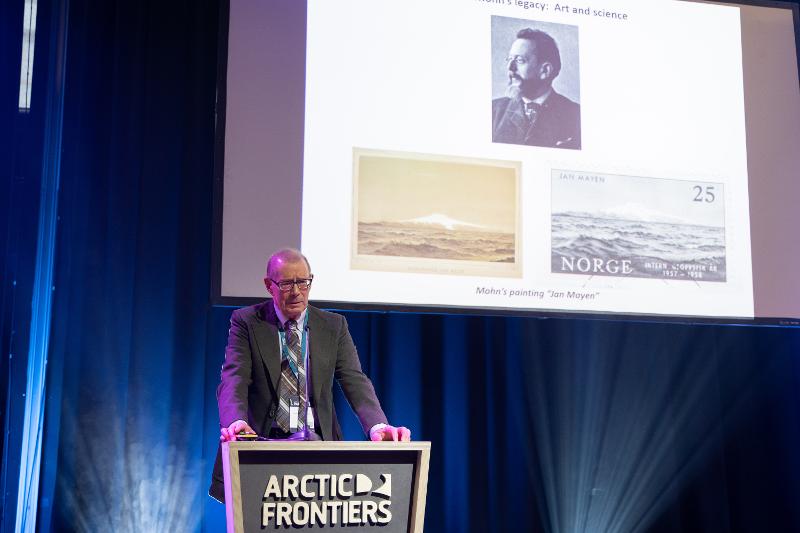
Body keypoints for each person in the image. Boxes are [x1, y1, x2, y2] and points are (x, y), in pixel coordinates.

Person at [209, 248, 410, 502]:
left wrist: (377, 425)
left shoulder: (333, 325)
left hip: (318, 447)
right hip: (262, 445)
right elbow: (234, 377)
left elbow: (354, 379)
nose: (296, 291)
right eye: (286, 284)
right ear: (269, 286)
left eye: (303, 282)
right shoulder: (247, 322)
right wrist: (235, 422)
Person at [492, 28, 581, 149]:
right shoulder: (493, 111)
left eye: (519, 60)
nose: (510, 67)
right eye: (509, 59)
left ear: (545, 70)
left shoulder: (575, 115)